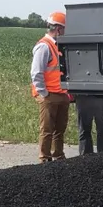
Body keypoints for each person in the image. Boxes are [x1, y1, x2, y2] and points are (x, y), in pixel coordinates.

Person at [30, 11, 70, 162]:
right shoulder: (44, 46)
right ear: (58, 29)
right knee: (47, 129)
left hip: (61, 94)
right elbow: (36, 73)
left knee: (60, 129)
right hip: (49, 95)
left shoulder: (58, 46)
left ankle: (58, 156)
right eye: (64, 29)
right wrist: (43, 93)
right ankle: (45, 158)